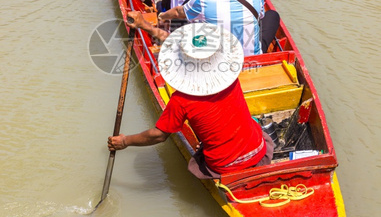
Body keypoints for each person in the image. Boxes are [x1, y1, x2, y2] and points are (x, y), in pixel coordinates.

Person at [107, 23, 274, 178]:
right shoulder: (231, 79)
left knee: (196, 163)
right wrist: (144, 25)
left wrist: (125, 141)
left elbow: (158, 136)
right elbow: (174, 42)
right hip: (260, 152)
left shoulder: (181, 100)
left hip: (225, 167)